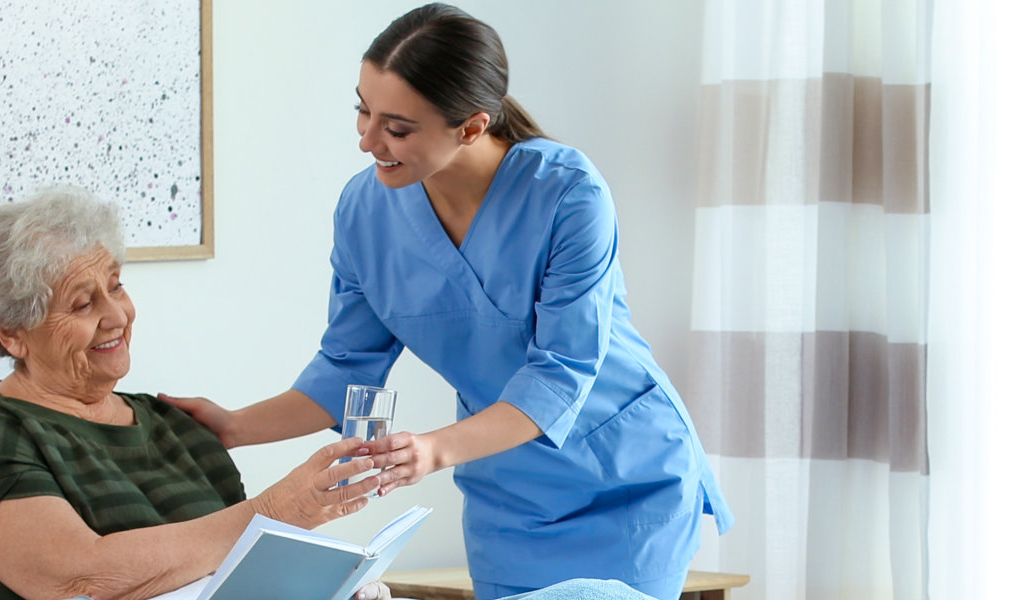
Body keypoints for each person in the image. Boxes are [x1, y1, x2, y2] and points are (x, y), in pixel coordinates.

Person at [157, 4, 734, 599]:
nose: (367, 140)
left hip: (625, 482)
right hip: (507, 496)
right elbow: (346, 371)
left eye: (397, 127)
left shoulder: (568, 195)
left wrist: (432, 451)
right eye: (362, 109)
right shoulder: (365, 212)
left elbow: (559, 378)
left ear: (471, 126)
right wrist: (233, 427)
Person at [0, 186, 394, 600]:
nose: (117, 316)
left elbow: (235, 576)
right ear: (12, 334)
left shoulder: (177, 428)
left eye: (116, 286)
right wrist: (273, 514)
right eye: (82, 303)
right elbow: (82, 578)